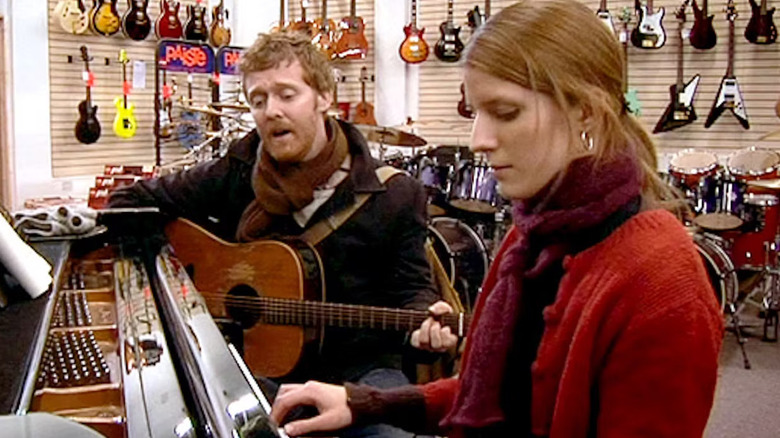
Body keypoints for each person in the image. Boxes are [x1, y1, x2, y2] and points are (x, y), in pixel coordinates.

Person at [269, 1, 725, 437]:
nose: (479, 139)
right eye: (476, 111)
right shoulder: (537, 230)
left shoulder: (662, 281)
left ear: (585, 109)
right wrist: (365, 403)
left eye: (504, 113)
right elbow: (499, 398)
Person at [108, 31, 440, 438]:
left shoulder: (394, 193)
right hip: (257, 369)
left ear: (323, 97)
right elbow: (133, 200)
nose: (270, 111)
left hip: (362, 373)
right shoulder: (238, 167)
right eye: (258, 100)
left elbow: (414, 290)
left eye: (286, 95)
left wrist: (429, 321)